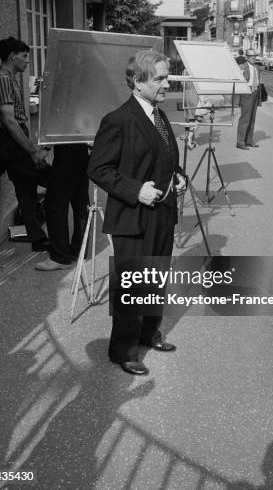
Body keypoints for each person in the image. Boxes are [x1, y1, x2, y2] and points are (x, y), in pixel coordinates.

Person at [88, 50, 187, 376]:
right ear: (137, 81)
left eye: (166, 77)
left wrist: (178, 174)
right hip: (133, 216)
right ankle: (124, 350)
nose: (166, 83)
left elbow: (165, 156)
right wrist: (135, 190)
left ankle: (148, 333)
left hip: (162, 214)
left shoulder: (159, 116)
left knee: (156, 278)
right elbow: (98, 169)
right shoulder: (118, 120)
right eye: (160, 78)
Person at [0, 37, 50, 251]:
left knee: (26, 190)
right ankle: (48, 235)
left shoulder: (10, 78)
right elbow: (10, 121)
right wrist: (32, 151)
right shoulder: (2, 79)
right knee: (53, 179)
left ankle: (37, 238)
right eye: (24, 56)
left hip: (14, 141)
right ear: (12, 56)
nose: (27, 62)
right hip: (9, 143)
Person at [35, 144, 90, 271]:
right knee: (80, 203)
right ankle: (79, 250)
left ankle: (60, 257)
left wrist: (45, 148)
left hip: (66, 153)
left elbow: (57, 125)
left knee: (55, 204)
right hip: (82, 150)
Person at [236, 49, 261, 150]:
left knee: (252, 117)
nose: (254, 58)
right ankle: (240, 142)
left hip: (255, 92)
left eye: (255, 56)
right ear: (247, 57)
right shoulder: (242, 67)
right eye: (251, 56)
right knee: (245, 118)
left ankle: (249, 140)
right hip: (247, 93)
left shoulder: (256, 68)